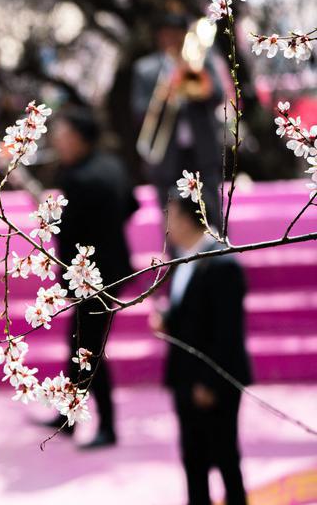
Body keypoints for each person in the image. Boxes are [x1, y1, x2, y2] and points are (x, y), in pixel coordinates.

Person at [43, 105, 138, 449]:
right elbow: (132, 205)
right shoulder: (112, 165)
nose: (57, 140)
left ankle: (108, 426)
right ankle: (67, 416)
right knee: (79, 344)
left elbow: (64, 231)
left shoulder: (75, 178)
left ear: (81, 138)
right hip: (114, 268)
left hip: (91, 278)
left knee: (88, 351)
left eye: (63, 134)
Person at [150, 194, 251, 505]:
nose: (167, 226)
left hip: (213, 381)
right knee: (193, 460)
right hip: (184, 375)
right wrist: (167, 319)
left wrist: (209, 383)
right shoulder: (184, 257)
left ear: (186, 218)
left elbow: (228, 331)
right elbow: (189, 309)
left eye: (171, 217)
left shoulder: (222, 263)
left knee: (224, 456)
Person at [132, 11, 224, 225]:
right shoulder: (146, 69)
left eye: (177, 34)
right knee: (171, 216)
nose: (172, 39)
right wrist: (165, 96)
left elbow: (218, 95)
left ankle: (218, 255)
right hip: (166, 156)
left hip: (202, 150)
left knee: (212, 210)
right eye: (167, 34)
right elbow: (138, 109)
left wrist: (194, 83)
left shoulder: (201, 60)